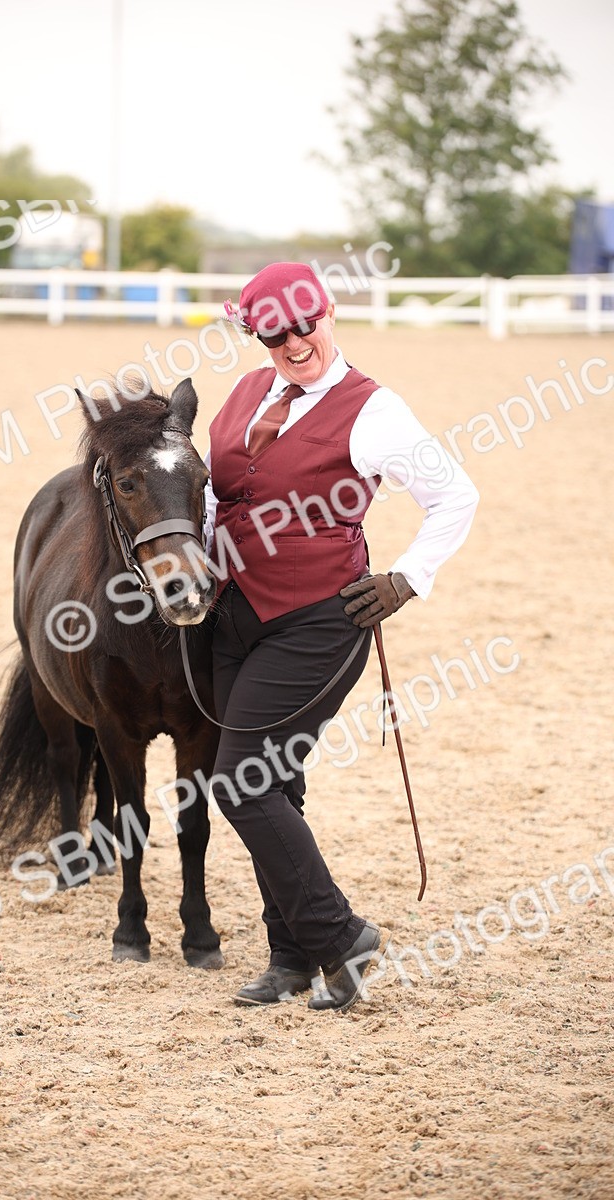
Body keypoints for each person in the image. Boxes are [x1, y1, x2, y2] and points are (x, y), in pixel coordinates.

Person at [202, 261, 479, 1012]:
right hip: (231, 613)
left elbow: (455, 495)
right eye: (272, 333)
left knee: (239, 782)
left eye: (304, 325)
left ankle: (340, 934)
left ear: (327, 314)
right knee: (275, 785)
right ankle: (290, 959)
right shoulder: (249, 392)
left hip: (321, 619)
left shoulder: (373, 410)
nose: (293, 344)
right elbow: (215, 488)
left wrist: (407, 578)